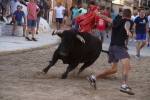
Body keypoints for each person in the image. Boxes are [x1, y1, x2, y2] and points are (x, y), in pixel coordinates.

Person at [87, 9, 135, 95]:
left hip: (112, 47)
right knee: (127, 65)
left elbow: (105, 18)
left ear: (122, 14)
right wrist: (128, 31)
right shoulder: (129, 21)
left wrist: (97, 14)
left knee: (113, 69)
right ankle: (124, 85)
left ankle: (93, 77)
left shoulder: (116, 21)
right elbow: (126, 25)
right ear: (130, 15)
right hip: (119, 46)